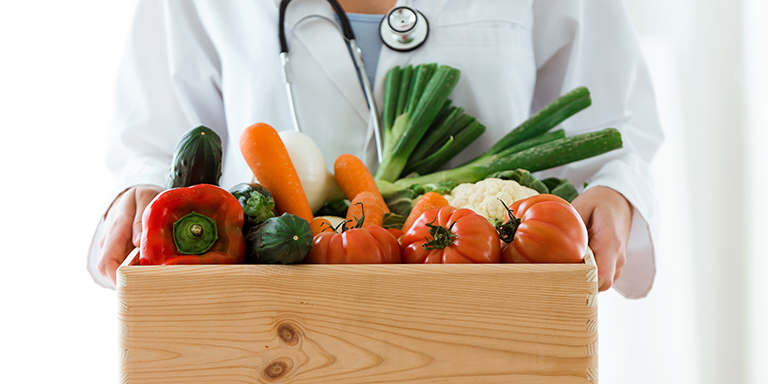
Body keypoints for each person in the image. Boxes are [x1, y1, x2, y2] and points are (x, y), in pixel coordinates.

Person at [90, 0, 663, 299]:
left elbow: (619, 124)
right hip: (270, 327)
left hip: (487, 322)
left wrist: (618, 192)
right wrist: (139, 190)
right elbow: (154, 137)